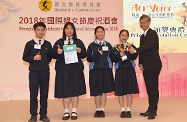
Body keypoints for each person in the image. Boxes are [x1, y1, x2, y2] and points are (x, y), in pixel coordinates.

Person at [128, 15, 162, 120]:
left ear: (149, 23)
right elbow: (142, 52)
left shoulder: (153, 34)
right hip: (146, 66)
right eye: (141, 22)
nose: (142, 24)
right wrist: (140, 63)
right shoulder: (142, 36)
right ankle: (150, 109)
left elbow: (148, 47)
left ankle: (153, 111)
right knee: (149, 89)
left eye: (144, 22)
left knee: (153, 89)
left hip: (154, 65)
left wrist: (136, 50)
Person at [52, 22, 87, 120]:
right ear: (64, 30)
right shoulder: (59, 42)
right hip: (63, 69)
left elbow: (84, 54)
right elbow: (53, 54)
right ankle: (66, 111)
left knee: (75, 89)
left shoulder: (78, 41)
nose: (69, 30)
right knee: (65, 89)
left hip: (75, 69)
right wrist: (57, 52)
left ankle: (74, 111)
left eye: (71, 28)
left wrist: (80, 51)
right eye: (67, 28)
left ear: (74, 30)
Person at [22, 22, 52, 122]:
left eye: (43, 30)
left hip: (44, 72)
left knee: (44, 94)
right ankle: (33, 115)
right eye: (38, 30)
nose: (40, 32)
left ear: (45, 31)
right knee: (33, 94)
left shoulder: (47, 44)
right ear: (35, 31)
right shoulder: (29, 44)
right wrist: (33, 58)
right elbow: (24, 57)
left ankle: (43, 114)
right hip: (34, 73)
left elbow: (49, 58)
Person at [87, 26, 114, 118]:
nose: (100, 34)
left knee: (104, 90)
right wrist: (97, 55)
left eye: (102, 32)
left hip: (106, 70)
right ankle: (97, 109)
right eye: (98, 32)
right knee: (96, 90)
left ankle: (102, 109)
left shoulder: (108, 45)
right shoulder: (91, 45)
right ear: (95, 34)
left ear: (104, 33)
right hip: (95, 70)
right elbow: (88, 58)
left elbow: (113, 57)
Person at [113, 29, 139, 118]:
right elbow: (113, 58)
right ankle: (122, 110)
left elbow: (135, 56)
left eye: (125, 35)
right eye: (122, 35)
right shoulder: (116, 47)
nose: (124, 37)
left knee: (129, 91)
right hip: (120, 70)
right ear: (119, 36)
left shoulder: (131, 45)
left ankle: (128, 109)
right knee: (120, 91)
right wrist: (118, 55)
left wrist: (132, 49)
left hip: (129, 70)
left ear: (128, 37)